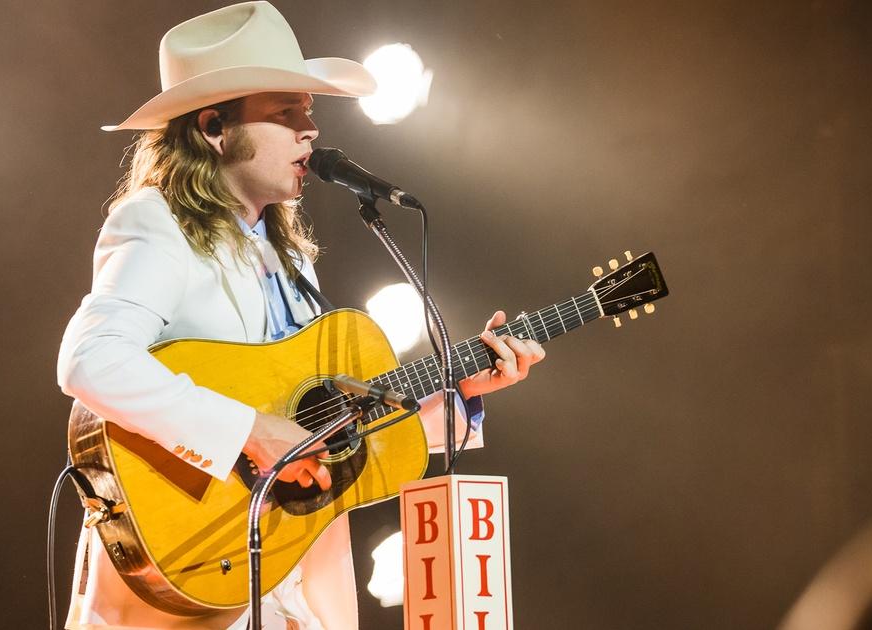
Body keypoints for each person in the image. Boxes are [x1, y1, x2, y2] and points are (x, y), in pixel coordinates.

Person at [56, 3, 544, 629]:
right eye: (288, 114)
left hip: (297, 583)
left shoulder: (288, 257)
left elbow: (330, 429)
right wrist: (250, 432)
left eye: (310, 113)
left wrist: (462, 392)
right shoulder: (156, 224)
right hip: (192, 573)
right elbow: (90, 359)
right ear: (214, 127)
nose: (311, 132)